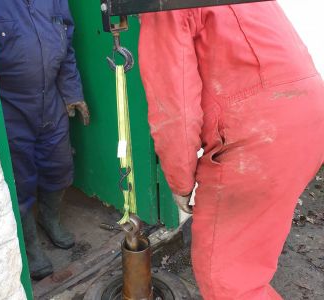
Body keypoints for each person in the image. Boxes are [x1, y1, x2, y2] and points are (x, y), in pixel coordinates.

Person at [138, 1, 324, 299]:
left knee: (227, 279)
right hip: (307, 120)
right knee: (253, 254)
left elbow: (175, 109)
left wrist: (180, 182)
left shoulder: (165, 7)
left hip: (259, 139)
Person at [0, 0, 89, 280]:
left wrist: (72, 92)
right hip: (10, 105)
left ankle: (50, 219)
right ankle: (30, 245)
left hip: (51, 100)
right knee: (20, 177)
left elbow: (66, 48)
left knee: (59, 164)